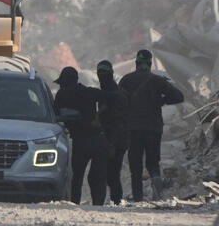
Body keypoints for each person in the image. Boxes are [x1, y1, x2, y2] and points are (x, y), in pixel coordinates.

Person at [118, 49, 184, 202]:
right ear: (149, 63)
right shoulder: (158, 81)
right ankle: (156, 184)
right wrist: (161, 100)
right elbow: (178, 96)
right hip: (153, 128)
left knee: (135, 165)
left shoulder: (126, 80)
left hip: (134, 128)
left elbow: (119, 102)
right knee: (153, 162)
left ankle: (138, 197)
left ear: (136, 63)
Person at [53, 66, 106, 205]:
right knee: (95, 176)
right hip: (94, 139)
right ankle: (97, 204)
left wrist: (98, 117)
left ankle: (76, 203)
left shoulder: (62, 95)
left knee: (78, 176)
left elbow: (55, 115)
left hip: (81, 140)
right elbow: (109, 98)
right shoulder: (88, 92)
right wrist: (98, 118)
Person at [95, 60, 129, 205]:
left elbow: (119, 122)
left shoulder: (116, 94)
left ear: (110, 74)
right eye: (99, 73)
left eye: (104, 73)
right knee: (107, 173)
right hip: (109, 139)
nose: (101, 76)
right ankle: (112, 201)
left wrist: (112, 144)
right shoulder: (107, 92)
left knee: (112, 173)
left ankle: (116, 201)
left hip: (116, 139)